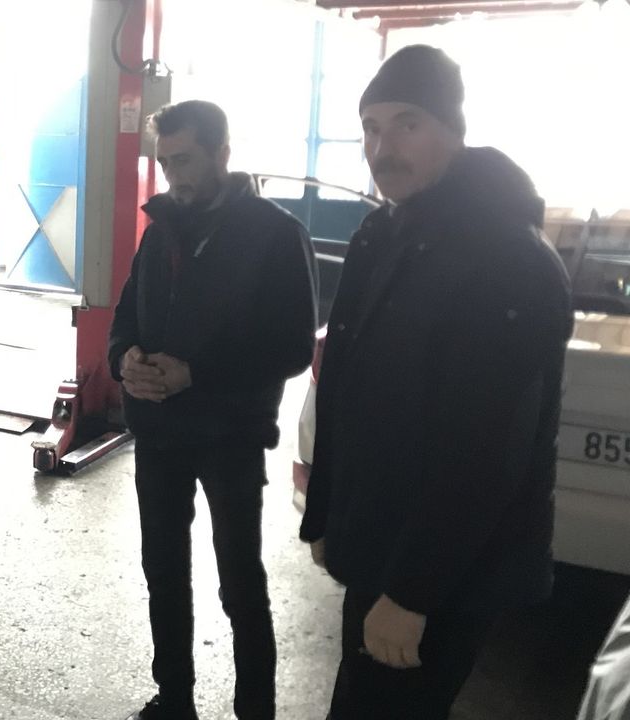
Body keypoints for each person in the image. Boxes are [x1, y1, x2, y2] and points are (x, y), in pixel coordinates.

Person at [298, 45, 572, 720]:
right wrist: (328, 515)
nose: (382, 147)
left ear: (453, 131)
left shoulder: (507, 258)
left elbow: (487, 447)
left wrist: (413, 593)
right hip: (381, 542)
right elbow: (347, 396)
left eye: (407, 124)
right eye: (370, 127)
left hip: (445, 573)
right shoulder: (383, 235)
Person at [109, 100, 318, 720]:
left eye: (186, 160)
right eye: (165, 162)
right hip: (158, 435)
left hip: (231, 435)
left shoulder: (275, 233)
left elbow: (292, 346)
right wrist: (125, 359)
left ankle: (255, 710)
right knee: (163, 572)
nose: (174, 175)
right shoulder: (161, 228)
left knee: (240, 583)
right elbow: (126, 315)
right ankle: (174, 700)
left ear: (222, 154)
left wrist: (195, 373)